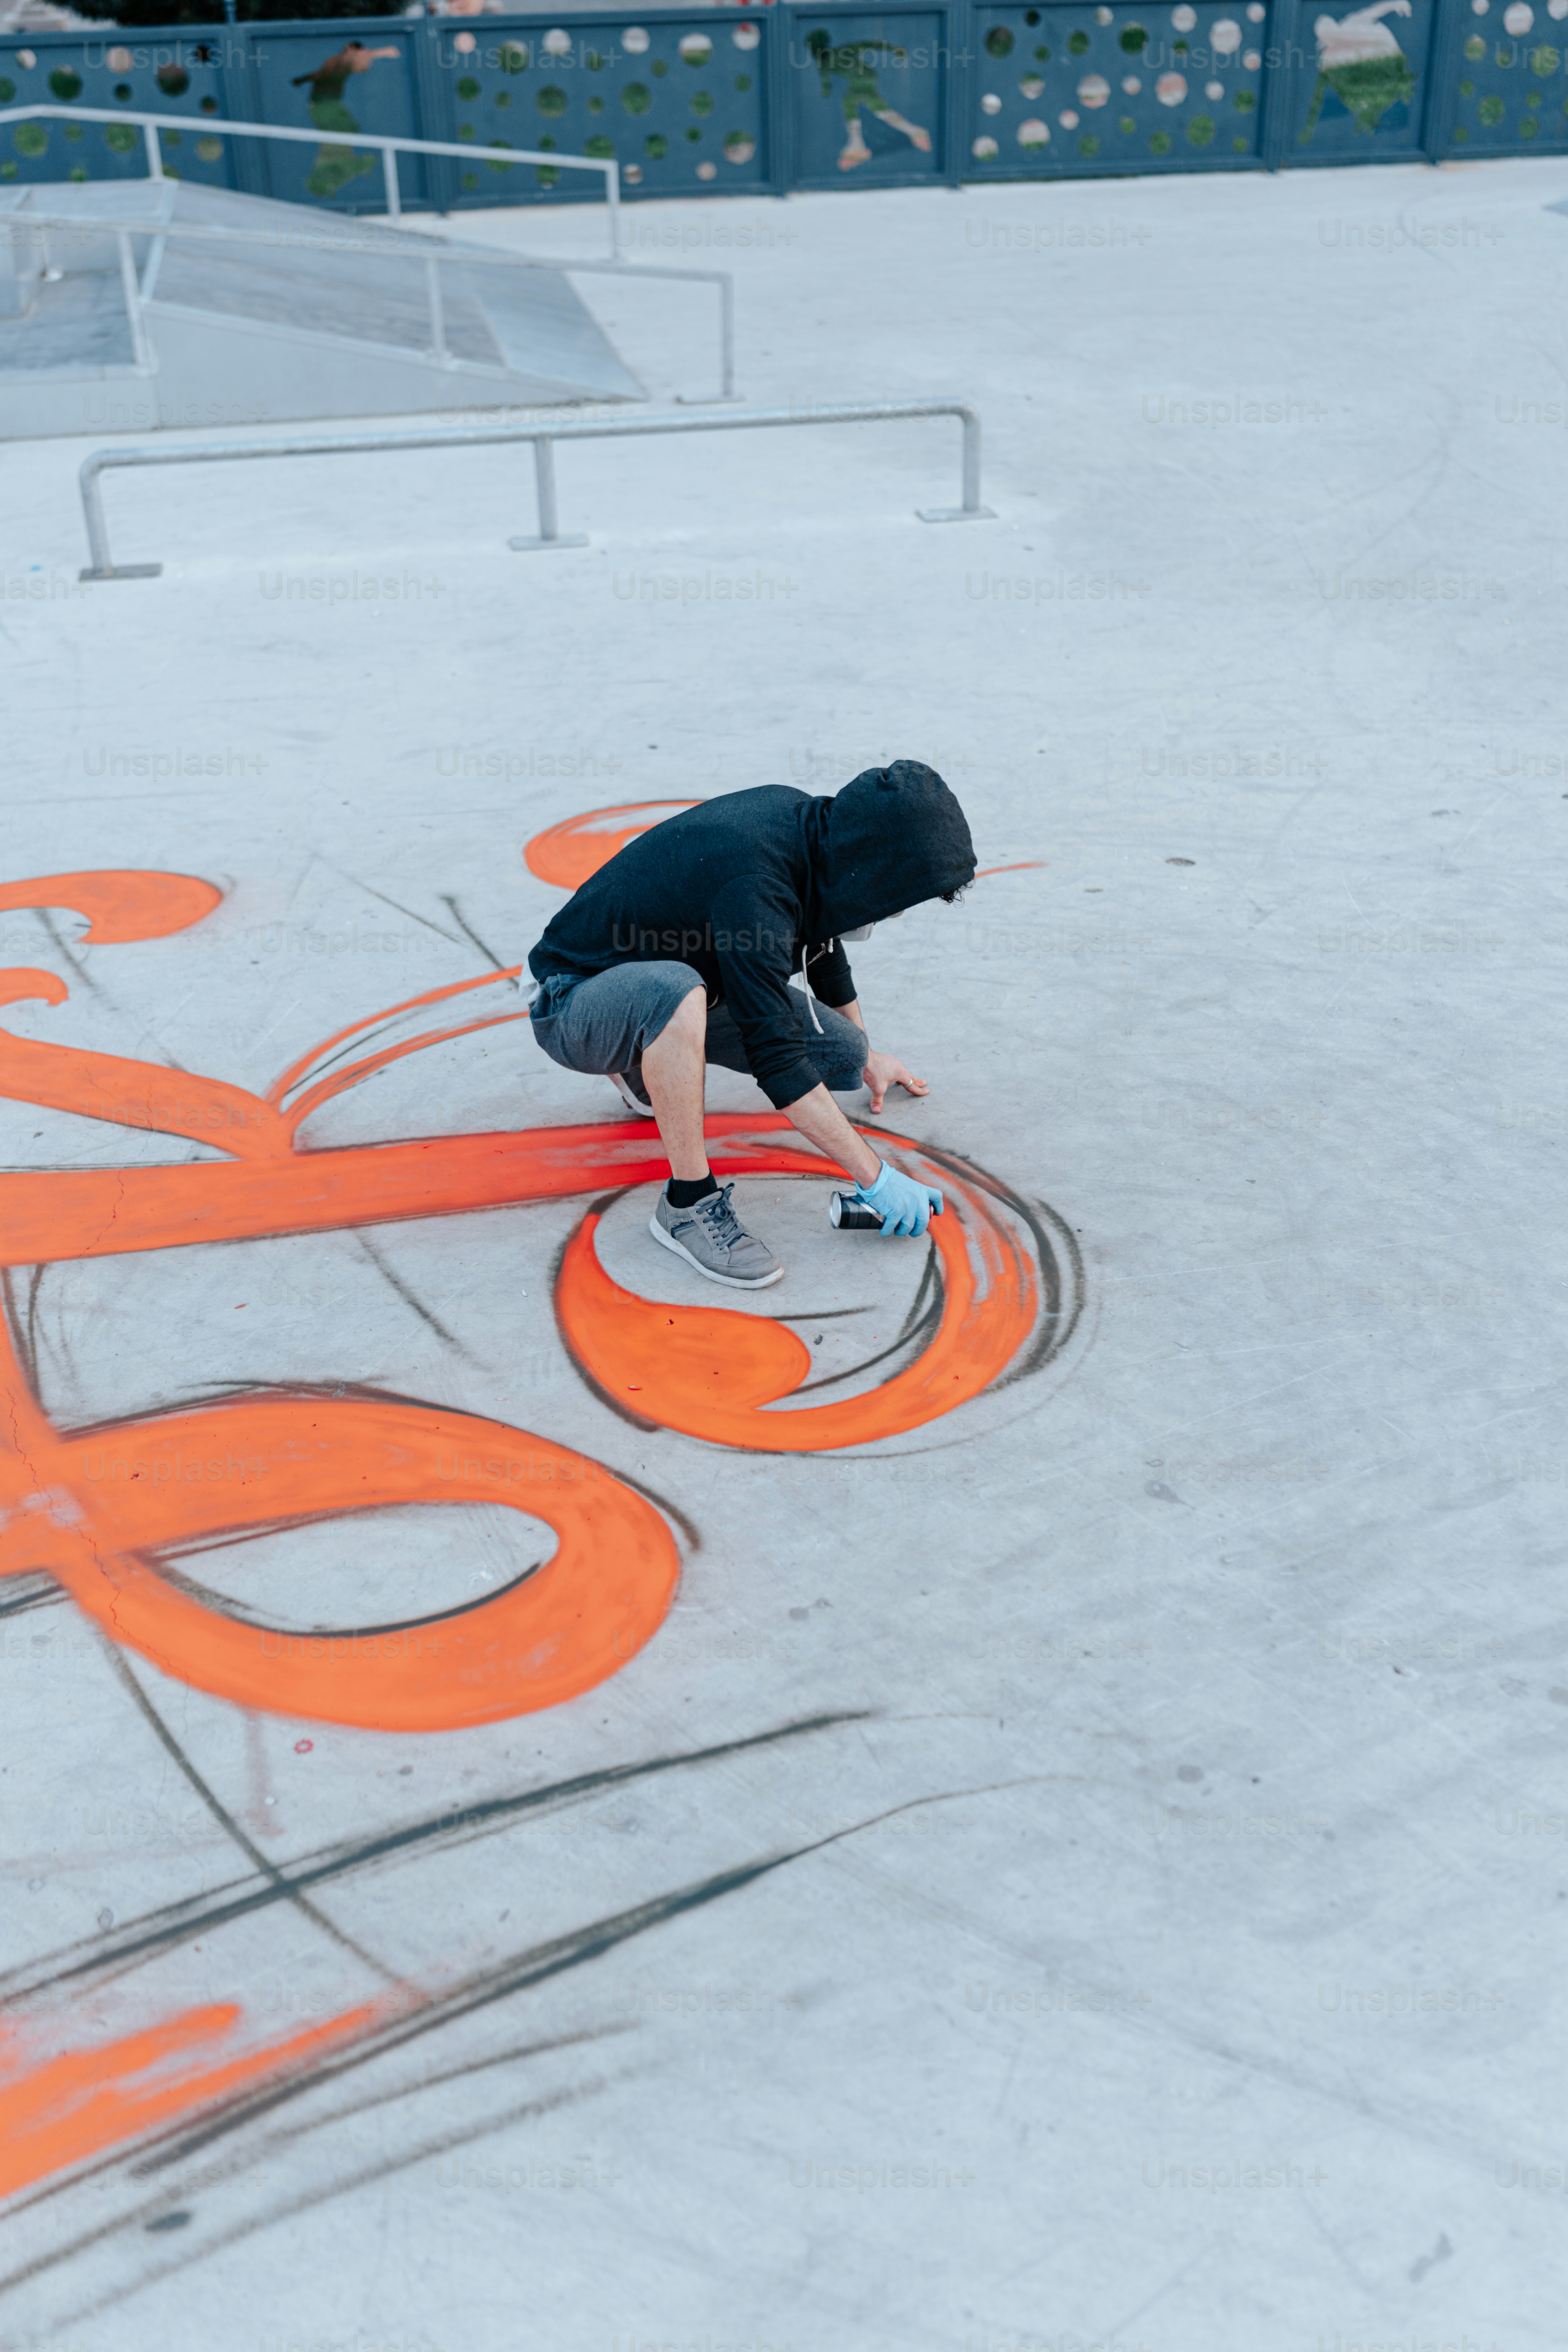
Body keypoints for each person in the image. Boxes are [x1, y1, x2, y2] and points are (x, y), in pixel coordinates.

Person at [527, 761, 975, 1289]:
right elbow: (778, 1060)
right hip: (572, 999)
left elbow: (823, 945)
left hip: (663, 979)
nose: (897, 912)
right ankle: (687, 1204)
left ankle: (646, 1060)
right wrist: (874, 1179)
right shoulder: (756, 886)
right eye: (901, 897)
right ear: (874, 866)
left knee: (843, 1056)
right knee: (675, 993)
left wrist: (869, 1055)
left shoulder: (816, 834)